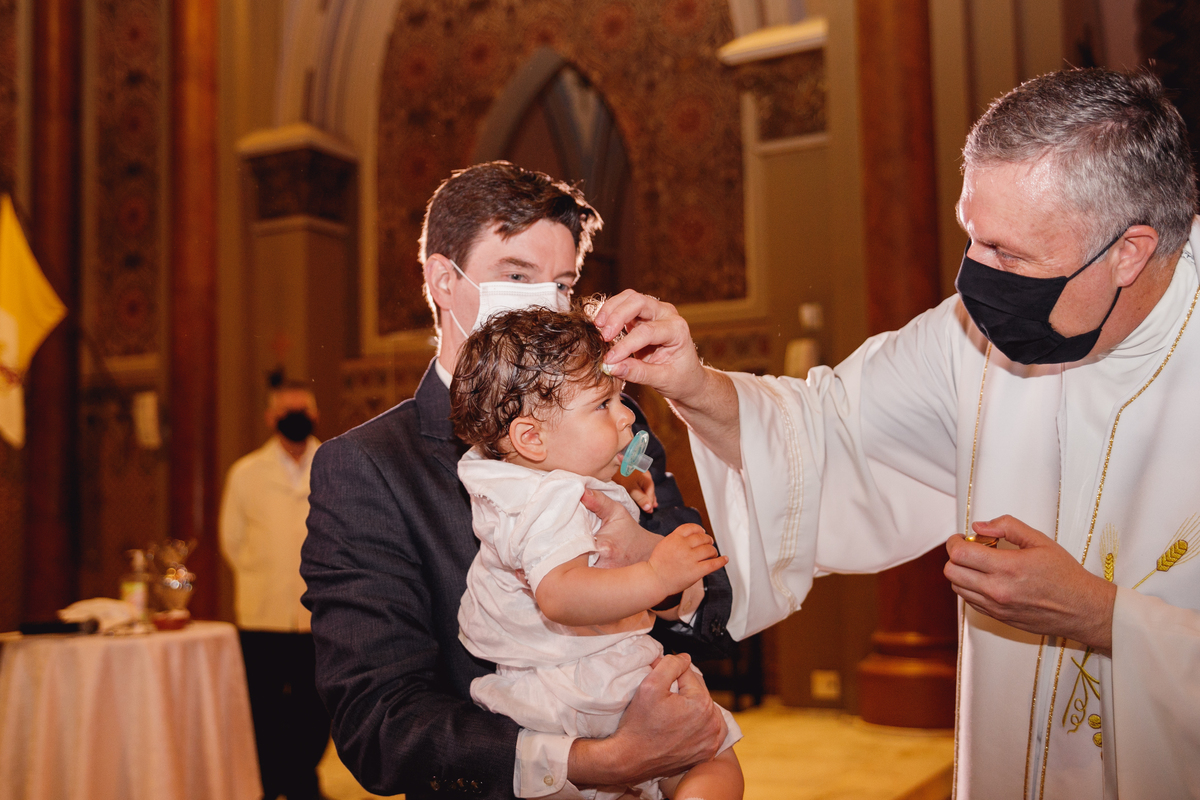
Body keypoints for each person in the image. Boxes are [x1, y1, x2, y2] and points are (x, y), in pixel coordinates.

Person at [592, 68, 1200, 799]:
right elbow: (827, 430)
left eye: (1009, 255)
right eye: (972, 237)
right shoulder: (969, 339)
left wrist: (1103, 618)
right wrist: (693, 381)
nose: (975, 276)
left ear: (1130, 251)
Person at [301, 161, 734, 800]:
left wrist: (660, 578)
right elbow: (380, 724)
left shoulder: (612, 421)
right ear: (444, 281)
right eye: (516, 276)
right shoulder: (368, 467)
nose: (543, 302)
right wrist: (599, 760)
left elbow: (711, 605)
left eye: (562, 283)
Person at [450, 305, 744, 800]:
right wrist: (656, 574)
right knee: (714, 759)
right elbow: (560, 596)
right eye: (603, 404)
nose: (627, 414)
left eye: (620, 398)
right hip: (596, 680)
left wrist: (621, 483)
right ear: (531, 438)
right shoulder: (553, 499)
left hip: (552, 690)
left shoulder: (519, 486)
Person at [220, 382, 329, 800]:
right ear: (270, 418)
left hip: (316, 615)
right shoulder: (246, 473)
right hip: (261, 612)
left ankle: (302, 781)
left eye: (303, 409)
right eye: (287, 411)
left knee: (315, 708)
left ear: (315, 415)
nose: (295, 416)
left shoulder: (334, 464)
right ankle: (270, 784)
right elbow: (231, 541)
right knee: (263, 709)